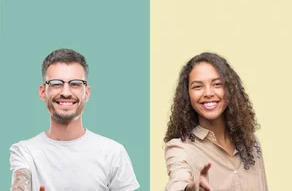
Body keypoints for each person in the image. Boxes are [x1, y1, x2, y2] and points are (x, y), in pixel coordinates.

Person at [9, 48, 139, 191]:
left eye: (75, 84)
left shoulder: (113, 152)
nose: (65, 92)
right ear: (42, 92)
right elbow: (20, 184)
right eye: (56, 83)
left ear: (87, 92)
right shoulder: (25, 151)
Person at [163, 52, 268, 191]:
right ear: (187, 95)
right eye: (197, 86)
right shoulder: (180, 148)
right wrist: (190, 189)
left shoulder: (251, 142)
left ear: (230, 89)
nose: (208, 93)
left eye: (217, 84)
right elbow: (177, 184)